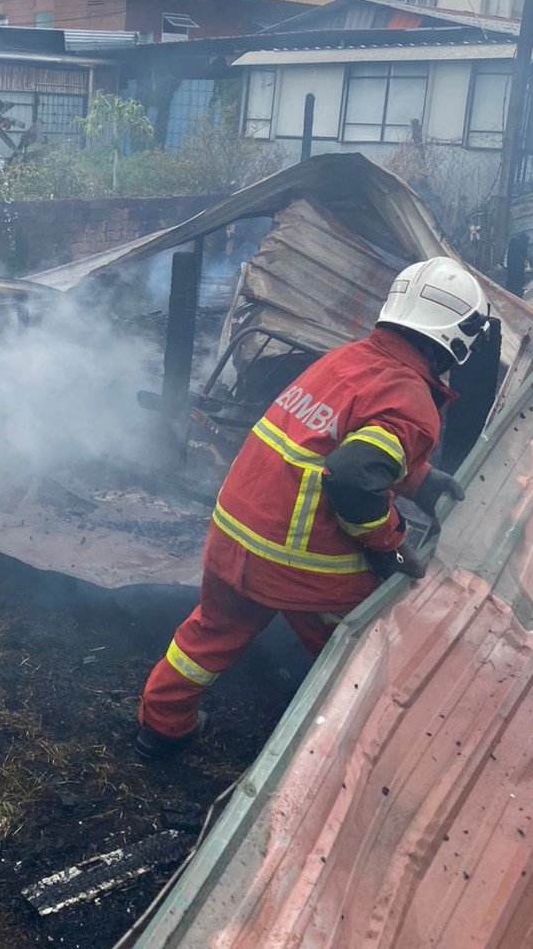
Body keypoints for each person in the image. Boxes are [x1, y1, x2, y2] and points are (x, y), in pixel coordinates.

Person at [136, 257, 490, 760]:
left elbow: (341, 445)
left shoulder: (343, 360)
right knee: (359, 653)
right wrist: (388, 547)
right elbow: (351, 476)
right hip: (302, 564)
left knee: (209, 634)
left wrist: (422, 482)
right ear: (460, 336)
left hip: (232, 533)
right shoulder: (412, 400)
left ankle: (161, 729)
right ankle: (354, 757)